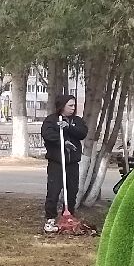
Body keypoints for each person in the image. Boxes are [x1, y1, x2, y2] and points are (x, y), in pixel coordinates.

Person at [39, 94, 86, 233]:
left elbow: (82, 133)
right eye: (70, 105)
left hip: (72, 163)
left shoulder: (77, 121)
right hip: (57, 163)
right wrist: (63, 142)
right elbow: (47, 135)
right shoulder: (51, 120)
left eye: (74, 105)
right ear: (62, 106)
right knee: (53, 191)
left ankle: (69, 216)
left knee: (72, 191)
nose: (73, 108)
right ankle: (50, 219)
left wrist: (68, 127)